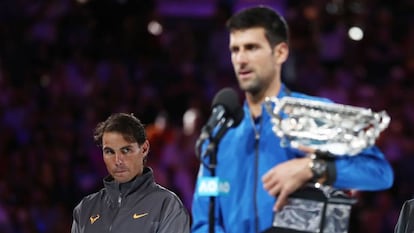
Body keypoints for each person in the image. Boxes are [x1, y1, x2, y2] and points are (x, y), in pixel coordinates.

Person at [191, 5, 394, 233]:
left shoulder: (316, 116)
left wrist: (313, 168)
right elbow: (203, 219)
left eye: (251, 48)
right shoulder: (220, 134)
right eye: (235, 50)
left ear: (280, 52)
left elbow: (380, 173)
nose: (241, 59)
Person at [71, 113, 190, 233]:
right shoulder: (85, 208)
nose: (117, 160)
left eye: (126, 150)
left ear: (144, 149)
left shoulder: (167, 206)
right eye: (109, 152)